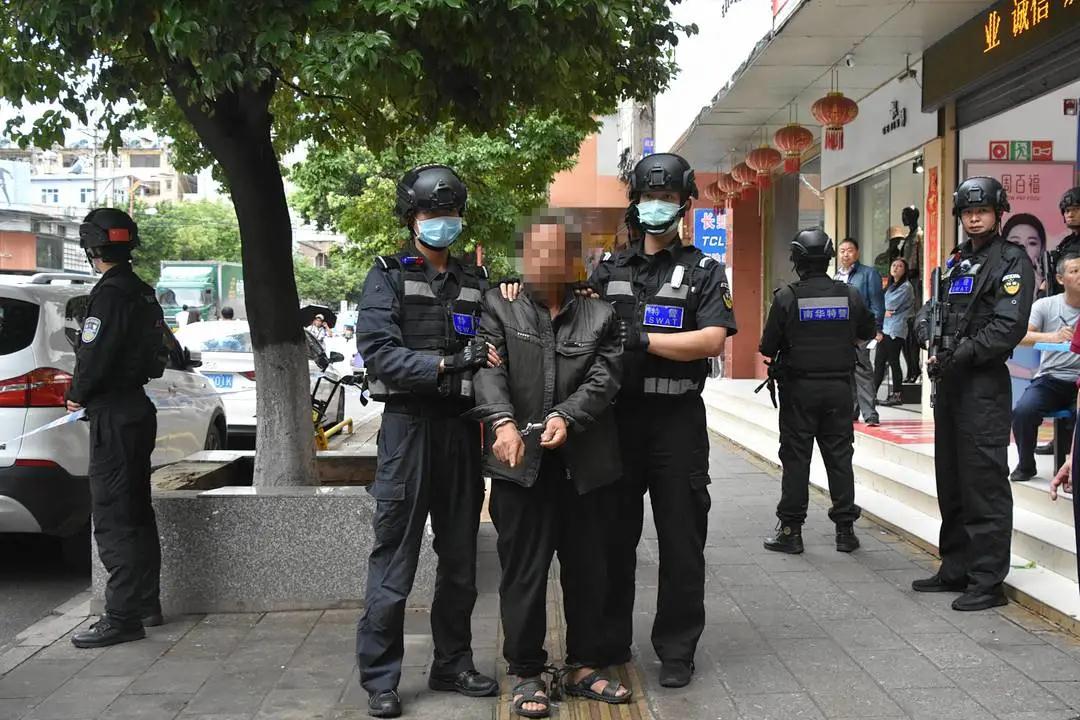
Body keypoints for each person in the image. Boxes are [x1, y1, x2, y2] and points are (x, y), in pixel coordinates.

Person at [354, 164, 500, 719]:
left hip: (461, 429)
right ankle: (380, 679)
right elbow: (379, 352)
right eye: (431, 212)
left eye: (450, 211)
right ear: (411, 217)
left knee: (461, 557)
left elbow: (501, 340)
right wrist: (444, 363)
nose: (443, 220)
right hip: (407, 429)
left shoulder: (476, 282)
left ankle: (453, 663)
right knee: (395, 558)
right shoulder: (387, 276)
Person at [471, 211, 628, 718]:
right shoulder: (499, 305)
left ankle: (585, 666)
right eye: (536, 251)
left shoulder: (600, 314)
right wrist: (501, 423)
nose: (545, 261)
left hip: (587, 468)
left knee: (589, 571)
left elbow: (605, 378)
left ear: (574, 260)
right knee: (523, 574)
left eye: (557, 251)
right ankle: (525, 671)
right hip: (521, 467)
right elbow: (487, 372)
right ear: (522, 257)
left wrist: (566, 415)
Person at [913, 176, 1034, 611]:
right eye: (968, 212)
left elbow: (1008, 326)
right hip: (949, 381)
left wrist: (961, 354)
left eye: (982, 211)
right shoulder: (956, 261)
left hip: (982, 383)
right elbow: (932, 309)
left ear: (998, 213)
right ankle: (956, 567)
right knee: (951, 479)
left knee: (983, 482)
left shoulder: (1012, 261)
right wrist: (923, 331)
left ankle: (987, 580)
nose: (975, 218)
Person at [65, 208, 169, 648]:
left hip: (113, 412)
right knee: (136, 511)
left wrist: (77, 393)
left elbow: (95, 354)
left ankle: (123, 617)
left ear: (92, 248)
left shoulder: (108, 295)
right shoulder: (143, 292)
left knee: (114, 516)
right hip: (136, 408)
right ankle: (144, 603)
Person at [759, 229, 875, 554]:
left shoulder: (787, 297)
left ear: (796, 260)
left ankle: (791, 531)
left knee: (796, 459)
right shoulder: (850, 294)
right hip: (839, 389)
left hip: (799, 390)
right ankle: (845, 531)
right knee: (840, 458)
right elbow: (868, 330)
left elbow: (767, 346)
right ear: (829, 258)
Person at [1008, 254, 1080, 482]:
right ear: (1060, 278)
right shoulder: (1046, 305)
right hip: (1051, 379)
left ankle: (1074, 469)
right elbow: (1020, 336)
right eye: (1075, 271)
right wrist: (1053, 336)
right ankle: (1026, 464)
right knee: (1023, 411)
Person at [836, 238, 885, 426]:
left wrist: (876, 328)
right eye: (842, 251)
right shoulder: (836, 277)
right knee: (847, 371)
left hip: (861, 331)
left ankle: (870, 414)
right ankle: (852, 411)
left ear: (857, 253)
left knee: (862, 371)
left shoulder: (868, 274)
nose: (845, 254)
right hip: (841, 333)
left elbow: (877, 304)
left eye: (849, 250)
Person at [875, 258, 915, 406]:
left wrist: (882, 309)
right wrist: (882, 310)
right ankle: (872, 394)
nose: (895, 268)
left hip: (896, 329)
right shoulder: (890, 286)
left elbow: (890, 304)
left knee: (893, 362)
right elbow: (881, 305)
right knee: (879, 362)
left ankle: (897, 395)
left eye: (899, 266)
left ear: (905, 270)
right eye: (893, 265)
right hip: (885, 328)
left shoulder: (906, 287)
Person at [900, 207, 923, 383]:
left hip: (915, 284)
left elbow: (921, 262)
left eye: (906, 215)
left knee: (912, 331)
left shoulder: (919, 235)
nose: (904, 218)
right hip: (905, 283)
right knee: (904, 333)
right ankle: (911, 369)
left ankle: (914, 370)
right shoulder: (908, 237)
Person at [1003, 213, 1048, 299]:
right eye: (1015, 242)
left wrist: (1038, 293)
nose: (1023, 248)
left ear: (1041, 248)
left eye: (1032, 243)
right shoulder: (992, 278)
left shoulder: (1051, 284)